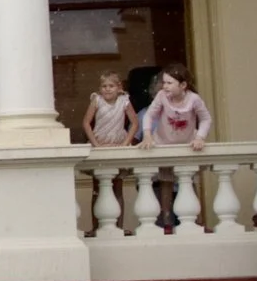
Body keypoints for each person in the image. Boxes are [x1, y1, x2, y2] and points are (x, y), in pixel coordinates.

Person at [140, 63, 212, 231]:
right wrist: (148, 134)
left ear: (183, 85)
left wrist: (200, 137)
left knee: (189, 181)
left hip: (187, 144)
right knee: (166, 182)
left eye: (169, 83)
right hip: (164, 142)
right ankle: (167, 222)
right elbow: (149, 115)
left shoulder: (194, 99)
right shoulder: (161, 96)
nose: (165, 86)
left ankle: (196, 220)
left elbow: (206, 119)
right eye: (164, 82)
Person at [84, 71, 138, 148]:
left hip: (120, 144)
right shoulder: (97, 100)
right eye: (104, 86)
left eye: (111, 86)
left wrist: (125, 144)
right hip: (98, 144)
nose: (107, 89)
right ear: (100, 88)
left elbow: (135, 123)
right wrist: (96, 145)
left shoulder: (124, 101)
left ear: (118, 88)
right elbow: (86, 123)